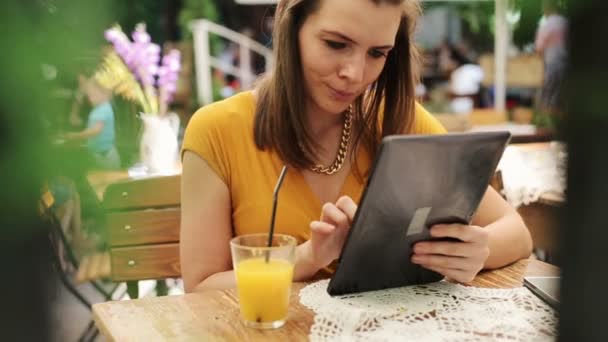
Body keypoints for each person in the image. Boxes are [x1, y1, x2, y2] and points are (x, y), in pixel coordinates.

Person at [181, 0, 533, 292]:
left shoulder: (400, 119)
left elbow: (515, 231)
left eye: (377, 53)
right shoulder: (217, 129)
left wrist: (476, 252)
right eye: (336, 44)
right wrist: (307, 258)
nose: (355, 73)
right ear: (291, 28)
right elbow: (201, 286)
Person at [63, 75, 120, 169]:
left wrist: (76, 136)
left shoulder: (103, 109)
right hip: (102, 152)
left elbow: (95, 131)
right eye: (89, 95)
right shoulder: (102, 106)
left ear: (105, 94)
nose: (90, 98)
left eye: (93, 95)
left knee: (102, 179)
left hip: (104, 156)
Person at [535, 0, 568, 114]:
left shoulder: (546, 24)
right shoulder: (565, 22)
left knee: (547, 94)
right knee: (561, 94)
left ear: (546, 9)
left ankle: (546, 119)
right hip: (566, 62)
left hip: (551, 62)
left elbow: (539, 48)